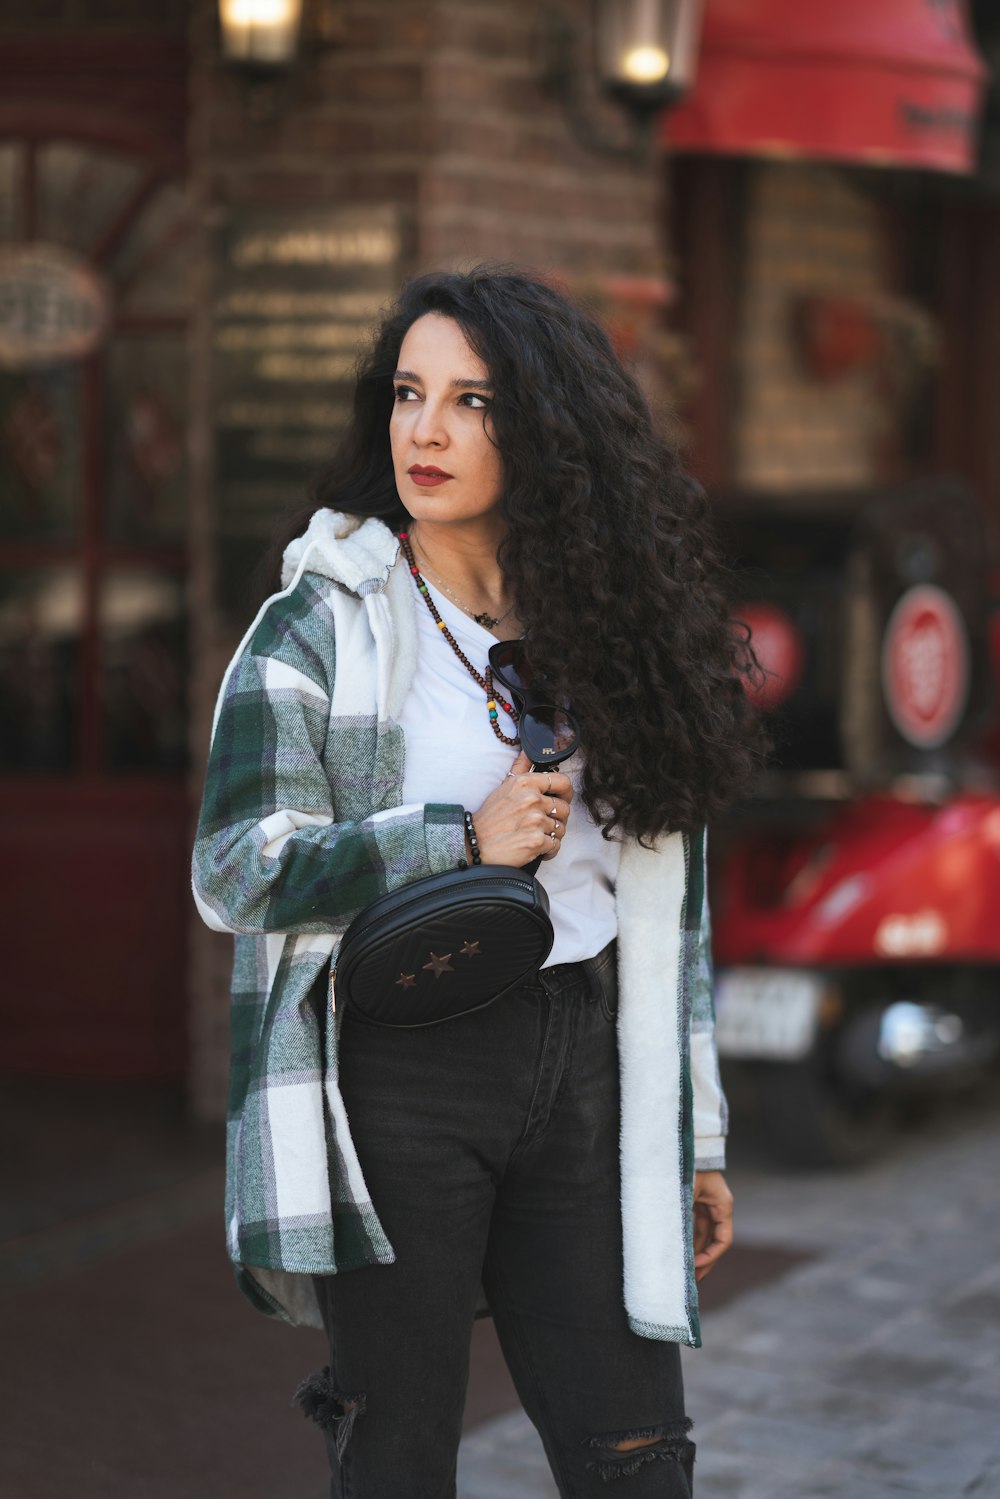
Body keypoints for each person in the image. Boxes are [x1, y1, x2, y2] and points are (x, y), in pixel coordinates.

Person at [192, 266, 764, 1498]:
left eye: (472, 400)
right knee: (395, 1452)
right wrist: (454, 838)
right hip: (406, 1063)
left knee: (636, 1454)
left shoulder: (616, 626)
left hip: (592, 1059)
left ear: (549, 429)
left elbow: (669, 900)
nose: (426, 430)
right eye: (407, 393)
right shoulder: (326, 623)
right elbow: (235, 868)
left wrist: (695, 1129)